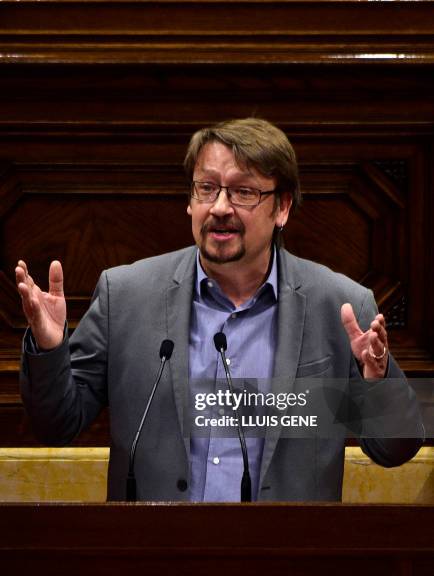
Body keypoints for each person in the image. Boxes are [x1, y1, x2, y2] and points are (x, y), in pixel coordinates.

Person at [16, 118, 424, 502]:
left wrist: (378, 382)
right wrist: (50, 348)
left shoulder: (339, 306)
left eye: (243, 192)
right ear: (191, 202)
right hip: (151, 560)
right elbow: (57, 423)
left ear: (282, 208)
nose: (220, 207)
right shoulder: (126, 296)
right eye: (206, 188)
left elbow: (394, 450)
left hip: (287, 565)